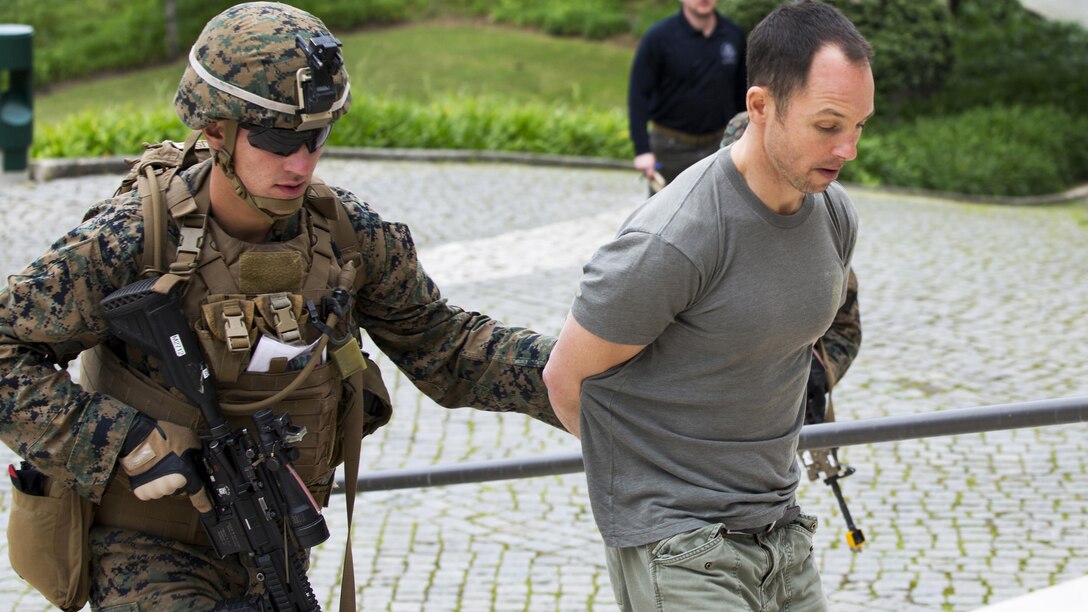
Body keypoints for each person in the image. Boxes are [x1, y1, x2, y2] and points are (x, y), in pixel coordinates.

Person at [0, 2, 560, 609]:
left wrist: (582, 371)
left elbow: (446, 347)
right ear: (216, 129)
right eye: (276, 140)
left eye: (315, 137)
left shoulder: (347, 234)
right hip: (148, 550)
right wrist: (121, 440)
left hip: (275, 545)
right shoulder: (136, 238)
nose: (301, 163)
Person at [543, 1, 874, 610]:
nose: (848, 147)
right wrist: (659, 491)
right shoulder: (673, 237)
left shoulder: (834, 214)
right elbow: (567, 381)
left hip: (781, 529)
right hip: (680, 544)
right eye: (829, 125)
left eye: (859, 125)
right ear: (760, 107)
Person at [628, 0, 747, 190]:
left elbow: (743, 94)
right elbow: (638, 95)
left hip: (719, 147)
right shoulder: (659, 37)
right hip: (670, 149)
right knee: (665, 216)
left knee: (718, 215)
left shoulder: (733, 35)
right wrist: (642, 150)